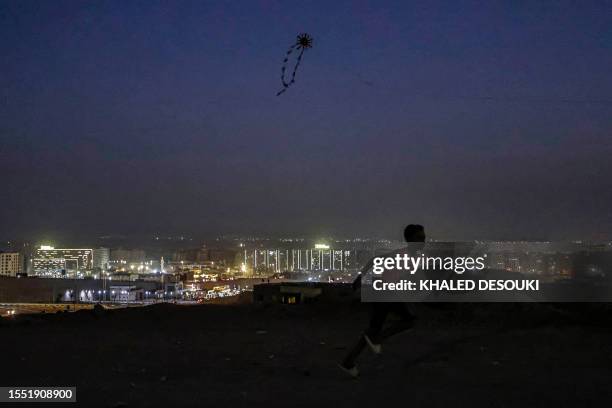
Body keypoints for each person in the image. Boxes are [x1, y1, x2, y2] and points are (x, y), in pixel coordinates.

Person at [338, 224, 426, 378]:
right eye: (420, 238)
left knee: (371, 332)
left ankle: (348, 361)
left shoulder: (414, 257)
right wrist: (359, 277)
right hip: (385, 294)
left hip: (382, 294)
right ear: (410, 240)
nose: (423, 241)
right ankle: (377, 339)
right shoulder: (404, 254)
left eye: (424, 238)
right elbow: (375, 260)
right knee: (409, 320)